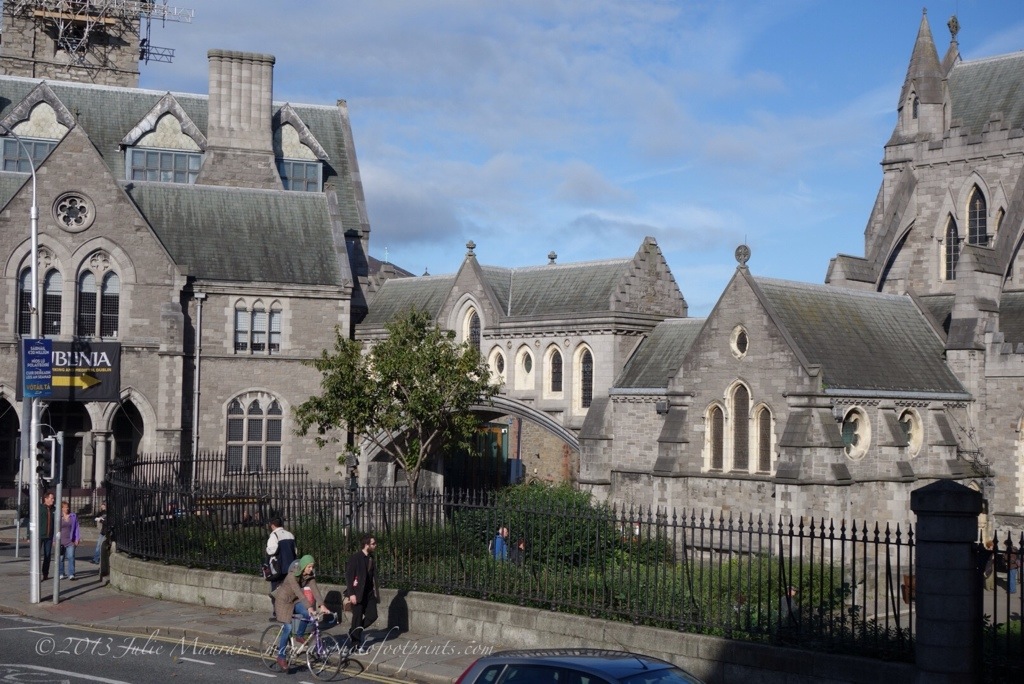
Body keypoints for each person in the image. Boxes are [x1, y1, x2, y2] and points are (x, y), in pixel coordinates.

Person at [271, 554, 330, 671]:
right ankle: (281, 657)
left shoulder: (309, 576)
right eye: (309, 567)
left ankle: (299, 635)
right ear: (303, 566)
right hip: (283, 601)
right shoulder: (291, 576)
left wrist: (322, 605)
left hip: (294, 601)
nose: (311, 569)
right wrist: (309, 607)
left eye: (312, 567)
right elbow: (299, 593)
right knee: (288, 628)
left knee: (308, 615)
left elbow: (315, 591)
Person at [344, 535, 379, 655]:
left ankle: (354, 632)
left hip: (369, 593)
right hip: (357, 593)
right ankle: (355, 645)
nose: (375, 545)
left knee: (372, 616)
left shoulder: (371, 558)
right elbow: (349, 576)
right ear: (366, 544)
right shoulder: (356, 558)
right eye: (373, 543)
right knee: (357, 618)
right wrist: (351, 594)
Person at [265, 516, 298, 620]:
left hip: (278, 568)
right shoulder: (290, 535)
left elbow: (271, 551)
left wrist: (266, 550)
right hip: (290, 567)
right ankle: (290, 612)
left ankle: (277, 613)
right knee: (289, 591)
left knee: (276, 591)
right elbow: (295, 551)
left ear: (272, 525)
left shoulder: (274, 535)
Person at [59, 500, 81, 580]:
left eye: (67, 507)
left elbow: (77, 528)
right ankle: (61, 573)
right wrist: (54, 540)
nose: (67, 509)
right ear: (61, 508)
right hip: (61, 541)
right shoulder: (59, 517)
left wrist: (77, 538)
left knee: (71, 556)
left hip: (70, 540)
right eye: (65, 507)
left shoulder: (73, 516)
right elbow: (55, 529)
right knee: (61, 558)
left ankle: (71, 574)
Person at [38, 492, 55, 581]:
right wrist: (29, 535)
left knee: (47, 555)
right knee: (37, 555)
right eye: (51, 498)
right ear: (46, 499)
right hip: (40, 535)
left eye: (53, 498)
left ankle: (45, 574)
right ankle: (37, 574)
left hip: (49, 536)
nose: (53, 500)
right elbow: (32, 521)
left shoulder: (54, 509)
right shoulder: (40, 508)